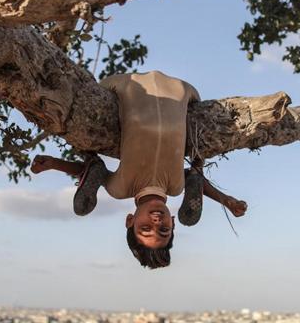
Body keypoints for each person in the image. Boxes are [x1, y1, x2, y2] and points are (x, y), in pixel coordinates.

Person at [31, 71, 247, 269]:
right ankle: (188, 208)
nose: (156, 222)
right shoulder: (175, 186)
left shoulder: (120, 188)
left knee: (86, 189)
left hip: (126, 83)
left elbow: (89, 172)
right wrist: (226, 200)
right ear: (172, 222)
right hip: (183, 90)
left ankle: (88, 176)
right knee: (192, 183)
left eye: (145, 228)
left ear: (130, 221)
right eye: (164, 229)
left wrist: (54, 164)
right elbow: (196, 173)